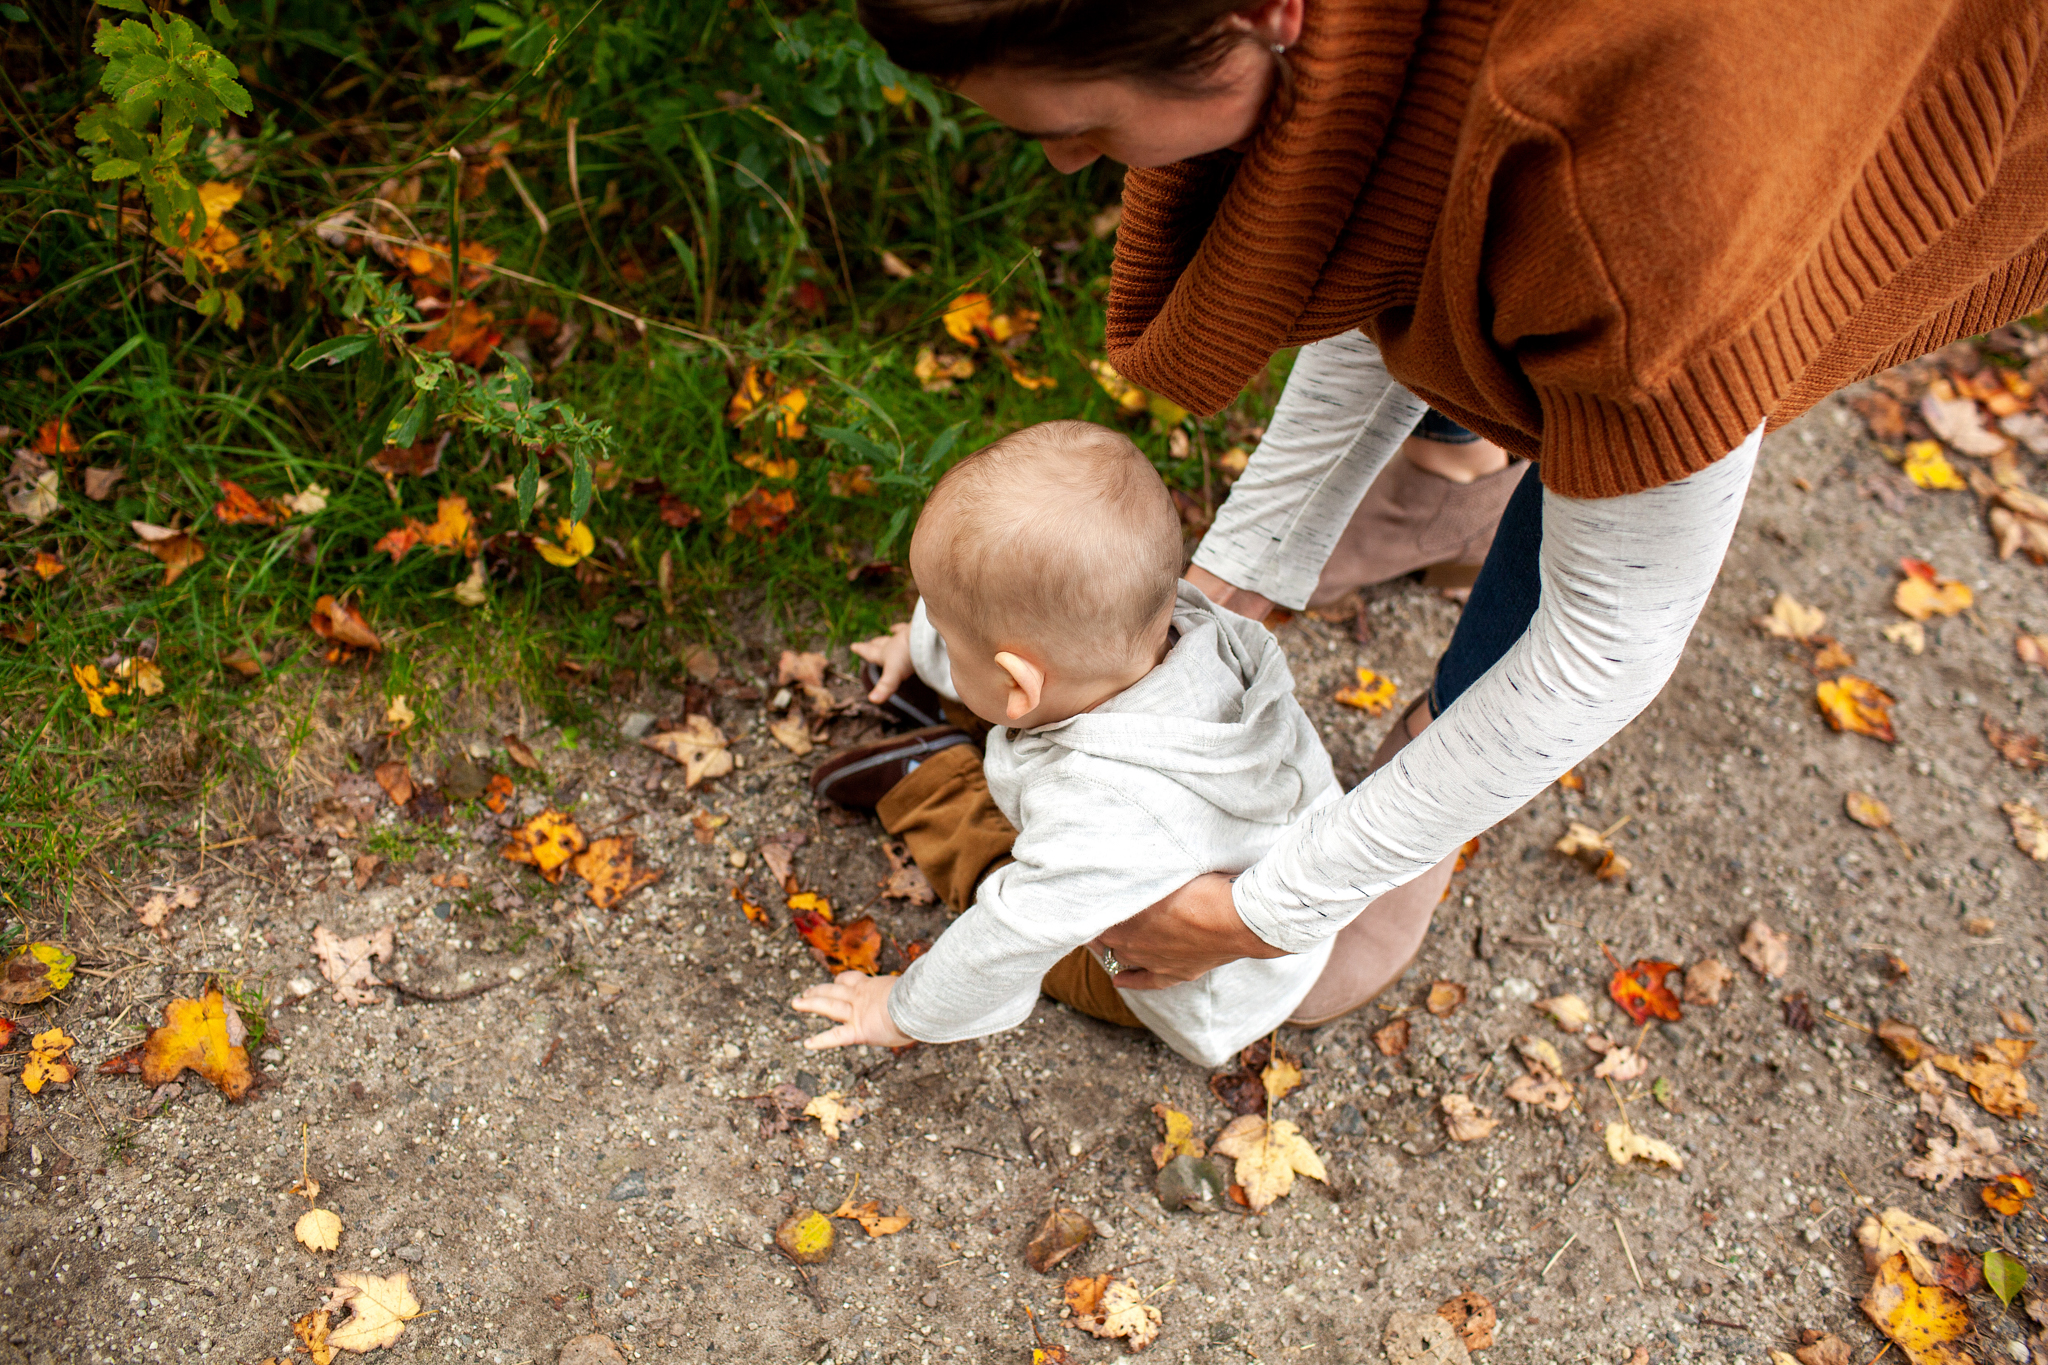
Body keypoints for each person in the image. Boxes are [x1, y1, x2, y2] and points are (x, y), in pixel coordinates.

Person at [840, 0, 2048, 1007]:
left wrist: (1268, 911)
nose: (1060, 162)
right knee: (1537, 323)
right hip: (1608, 196)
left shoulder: (1627, 199)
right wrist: (1231, 583)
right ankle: (1449, 489)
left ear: (1261, 14)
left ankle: (1426, 751)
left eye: (1085, 124)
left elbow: (1605, 639)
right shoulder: (1400, 82)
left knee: (1601, 460)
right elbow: (1396, 219)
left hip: (1782, 158)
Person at [795, 421, 1345, 1066]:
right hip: (1228, 867)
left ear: (1017, 682)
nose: (932, 631)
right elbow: (1033, 669)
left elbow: (1010, 937)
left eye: (938, 631)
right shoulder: (1199, 631)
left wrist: (898, 1010)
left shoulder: (1106, 818)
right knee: (1046, 666)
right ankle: (945, 696)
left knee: (995, 873)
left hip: (1171, 978)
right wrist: (919, 651)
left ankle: (928, 781)